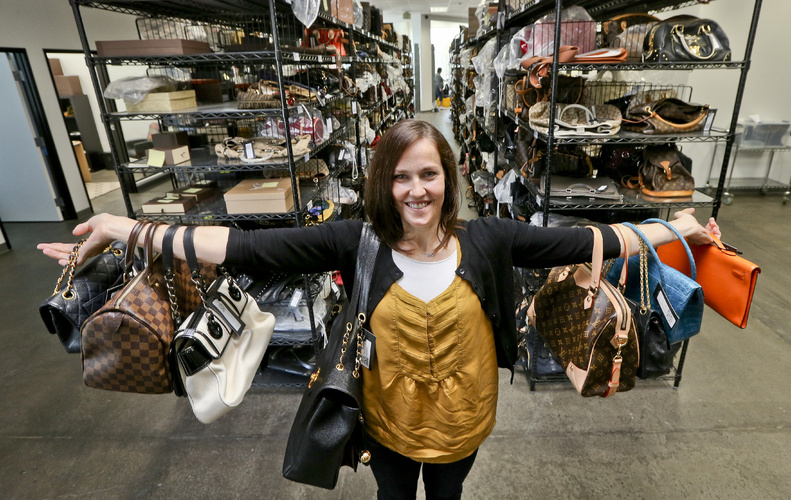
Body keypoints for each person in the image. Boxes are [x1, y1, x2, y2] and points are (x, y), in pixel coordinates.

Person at [38, 119, 720, 500]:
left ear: (447, 179)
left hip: (465, 419)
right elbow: (246, 248)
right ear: (383, 183)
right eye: (401, 175)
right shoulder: (354, 241)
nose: (416, 189)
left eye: (429, 173)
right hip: (388, 420)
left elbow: (593, 238)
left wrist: (678, 227)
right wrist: (128, 230)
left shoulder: (489, 240)